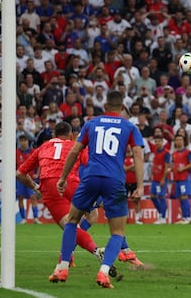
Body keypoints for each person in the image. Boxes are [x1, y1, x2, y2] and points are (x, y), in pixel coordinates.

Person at [55, 91, 144, 289]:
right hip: (114, 180)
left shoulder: (91, 123)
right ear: (122, 107)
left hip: (91, 178)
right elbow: (137, 153)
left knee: (72, 221)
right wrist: (140, 185)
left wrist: (62, 178)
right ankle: (103, 273)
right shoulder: (129, 126)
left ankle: (62, 267)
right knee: (117, 232)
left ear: (105, 105)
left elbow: (75, 150)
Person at [16, 122, 107, 274]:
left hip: (50, 185)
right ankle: (70, 253)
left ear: (53, 135)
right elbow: (91, 164)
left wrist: (35, 187)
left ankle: (95, 251)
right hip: (71, 183)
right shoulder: (75, 145)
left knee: (69, 226)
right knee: (92, 215)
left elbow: (19, 173)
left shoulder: (43, 147)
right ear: (70, 135)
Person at [171, 133, 191, 225]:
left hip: (184, 178)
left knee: (184, 197)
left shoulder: (188, 152)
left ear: (184, 141)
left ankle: (188, 217)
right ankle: (184, 217)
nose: (178, 141)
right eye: (177, 140)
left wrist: (183, 168)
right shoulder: (174, 154)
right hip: (177, 179)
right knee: (180, 198)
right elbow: (174, 165)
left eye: (180, 140)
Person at [16, 135, 40, 224]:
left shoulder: (33, 151)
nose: (23, 142)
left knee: (33, 197)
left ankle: (36, 218)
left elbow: (39, 163)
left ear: (27, 141)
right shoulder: (16, 152)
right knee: (20, 197)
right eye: (21, 140)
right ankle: (23, 218)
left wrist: (37, 174)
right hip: (20, 179)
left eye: (24, 140)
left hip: (30, 179)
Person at [149, 135, 170, 225]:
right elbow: (154, 163)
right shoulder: (155, 151)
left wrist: (163, 179)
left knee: (161, 196)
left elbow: (167, 166)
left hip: (162, 178)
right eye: (156, 141)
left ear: (162, 142)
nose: (157, 143)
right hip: (155, 178)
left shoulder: (166, 153)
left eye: (159, 141)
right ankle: (160, 213)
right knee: (153, 196)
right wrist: (151, 174)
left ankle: (163, 217)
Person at [124, 147, 142, 224]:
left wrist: (129, 168)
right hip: (125, 182)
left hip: (134, 182)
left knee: (136, 200)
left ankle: (137, 218)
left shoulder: (135, 157)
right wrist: (132, 167)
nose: (128, 148)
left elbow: (137, 168)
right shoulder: (122, 158)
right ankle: (125, 218)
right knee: (123, 201)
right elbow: (123, 169)